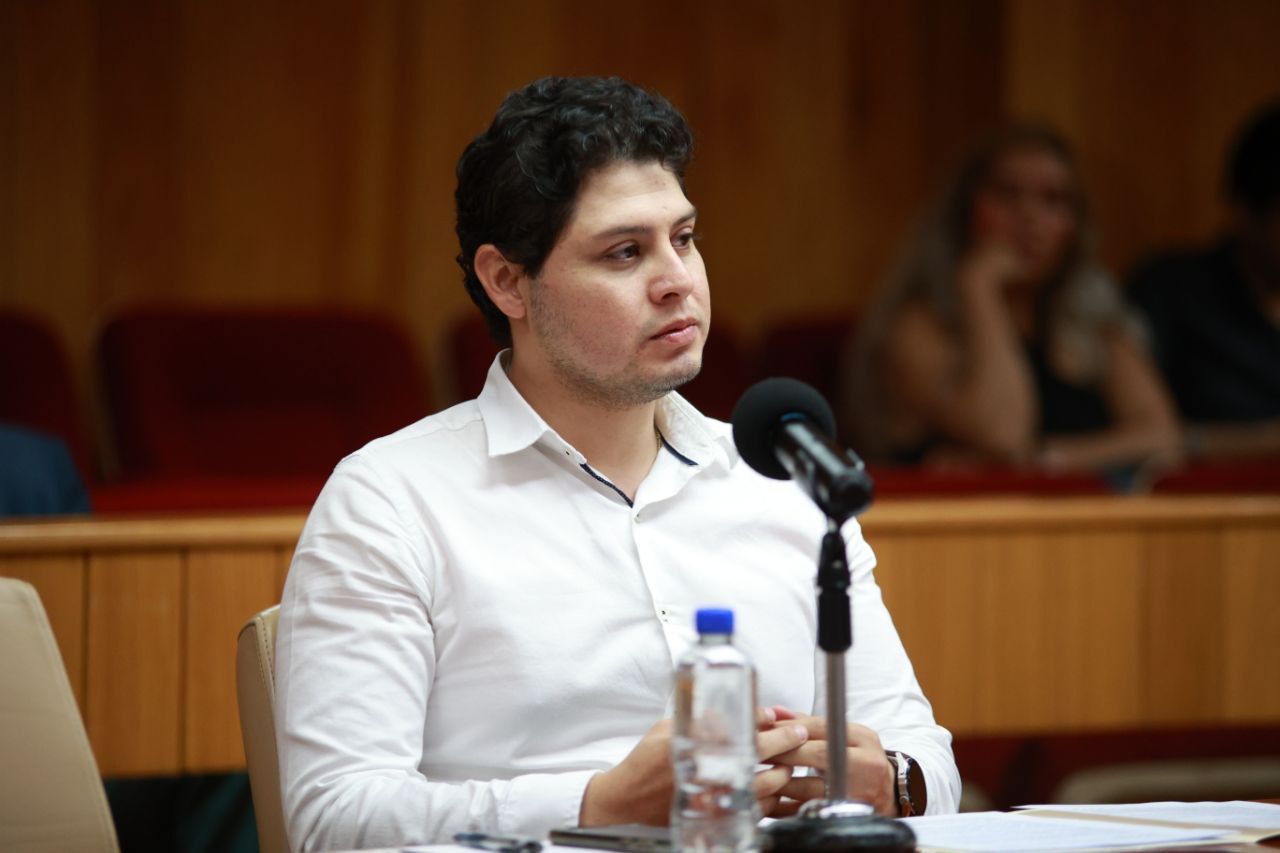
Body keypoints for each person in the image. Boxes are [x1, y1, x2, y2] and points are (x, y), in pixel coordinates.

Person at [274, 76, 959, 852]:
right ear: (507, 281)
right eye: (625, 252)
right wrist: (599, 803)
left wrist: (888, 782)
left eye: (685, 238)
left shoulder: (785, 481)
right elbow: (333, 819)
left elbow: (925, 755)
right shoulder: (391, 500)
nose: (678, 281)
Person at [847, 124, 1181, 481]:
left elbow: (1162, 437)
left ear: (1074, 224)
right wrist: (979, 286)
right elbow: (1003, 434)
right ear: (966, 209)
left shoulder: (1092, 319)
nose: (1029, 217)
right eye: (1007, 194)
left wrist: (1049, 459)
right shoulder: (916, 327)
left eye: (1053, 200)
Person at [1127, 100, 1280, 461]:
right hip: (1198, 488)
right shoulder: (1172, 291)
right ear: (1244, 212)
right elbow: (1141, 431)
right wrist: (1258, 441)